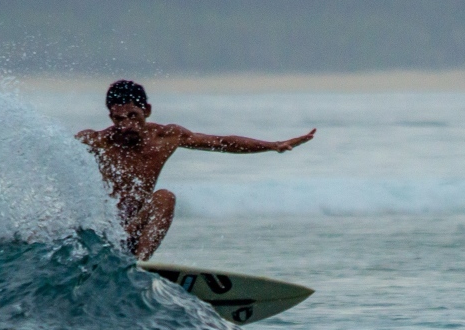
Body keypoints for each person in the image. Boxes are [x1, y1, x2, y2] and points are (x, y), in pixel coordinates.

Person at [76, 79, 316, 260]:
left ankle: (139, 265)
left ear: (147, 111)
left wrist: (273, 146)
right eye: (119, 119)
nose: (127, 125)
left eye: (133, 116)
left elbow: (221, 142)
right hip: (103, 233)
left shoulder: (166, 137)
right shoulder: (94, 141)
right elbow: (53, 158)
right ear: (110, 116)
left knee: (165, 198)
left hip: (136, 231)